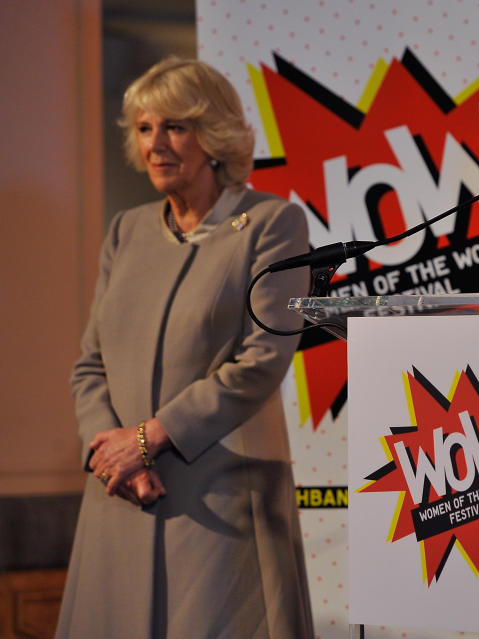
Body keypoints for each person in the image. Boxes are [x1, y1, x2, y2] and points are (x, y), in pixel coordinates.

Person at [56, 57, 314, 638]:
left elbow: (263, 360)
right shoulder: (126, 229)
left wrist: (147, 440)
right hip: (119, 494)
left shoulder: (274, 223)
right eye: (145, 128)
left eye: (175, 126)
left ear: (214, 135)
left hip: (219, 504)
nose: (156, 144)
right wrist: (112, 455)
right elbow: (89, 363)